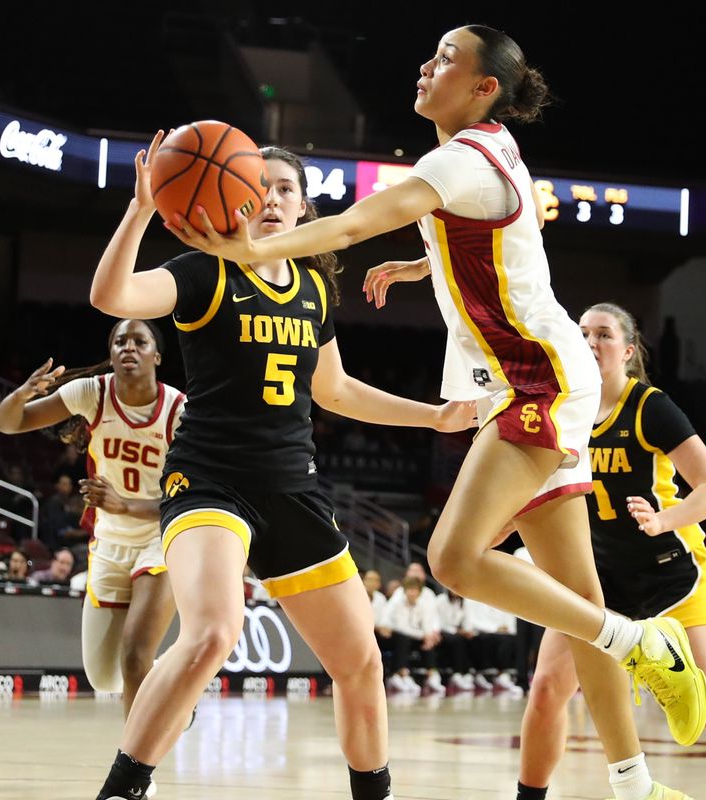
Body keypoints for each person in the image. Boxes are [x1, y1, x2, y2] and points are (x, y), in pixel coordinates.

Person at [171, 26, 706, 800]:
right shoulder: (488, 153)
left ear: (485, 86)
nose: (427, 65)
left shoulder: (459, 159)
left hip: (537, 382)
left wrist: (247, 251)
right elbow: (509, 237)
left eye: (447, 58)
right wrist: (429, 262)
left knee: (455, 559)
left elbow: (358, 221)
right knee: (579, 601)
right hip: (535, 377)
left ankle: (641, 641)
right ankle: (637, 786)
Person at [86, 136, 474, 800]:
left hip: (293, 489)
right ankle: (123, 790)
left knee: (360, 662)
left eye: (285, 188)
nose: (270, 196)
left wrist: (433, 416)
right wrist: (141, 209)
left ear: (304, 208)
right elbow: (111, 295)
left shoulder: (315, 288)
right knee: (212, 633)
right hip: (208, 481)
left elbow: (337, 391)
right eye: (256, 185)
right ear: (233, 198)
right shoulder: (203, 269)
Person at [506, 303, 706, 799]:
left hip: (674, 577)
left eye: (603, 334)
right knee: (545, 691)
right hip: (597, 584)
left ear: (627, 351)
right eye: (581, 332)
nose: (589, 341)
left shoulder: (650, 406)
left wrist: (663, 519)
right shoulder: (562, 409)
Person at [0, 319, 184, 721]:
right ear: (111, 354)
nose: (128, 347)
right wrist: (23, 393)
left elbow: (190, 501)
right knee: (105, 677)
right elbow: (8, 422)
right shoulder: (91, 393)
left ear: (157, 356)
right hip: (109, 543)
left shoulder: (179, 412)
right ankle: (177, 692)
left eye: (139, 341)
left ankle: (134, 769)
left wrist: (126, 504)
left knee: (135, 658)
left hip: (161, 539)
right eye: (120, 341)